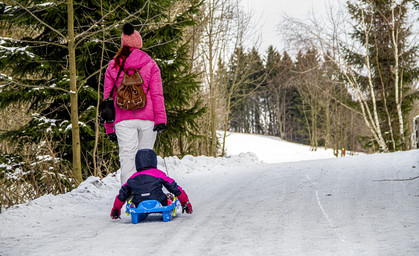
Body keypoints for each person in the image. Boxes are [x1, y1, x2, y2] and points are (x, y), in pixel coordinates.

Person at [103, 23, 167, 185]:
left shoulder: (113, 66)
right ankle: (146, 193)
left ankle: (129, 195)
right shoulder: (150, 64)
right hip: (148, 119)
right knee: (145, 157)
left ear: (123, 43)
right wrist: (161, 119)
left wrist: (109, 127)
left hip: (123, 119)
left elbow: (108, 99)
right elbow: (157, 94)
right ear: (139, 43)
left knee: (127, 156)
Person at [110, 149, 193, 219]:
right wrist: (185, 202)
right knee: (169, 196)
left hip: (139, 203)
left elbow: (122, 194)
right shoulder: (159, 174)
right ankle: (167, 205)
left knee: (133, 198)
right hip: (160, 202)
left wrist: (116, 208)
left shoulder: (132, 178)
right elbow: (175, 188)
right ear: (154, 161)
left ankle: (139, 212)